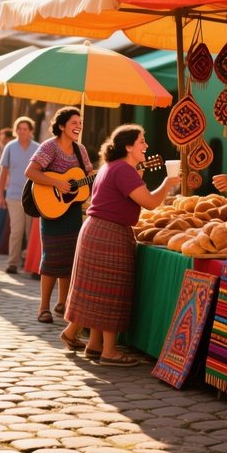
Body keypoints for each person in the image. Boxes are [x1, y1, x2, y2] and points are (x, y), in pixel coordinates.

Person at [61, 124, 180, 366]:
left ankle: (95, 346)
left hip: (96, 229)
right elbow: (149, 203)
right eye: (141, 141)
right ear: (128, 146)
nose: (146, 145)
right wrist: (168, 184)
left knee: (97, 291)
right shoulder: (123, 170)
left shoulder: (111, 167)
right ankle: (110, 352)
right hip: (109, 233)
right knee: (110, 291)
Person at [25, 106, 92, 323]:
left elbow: (88, 175)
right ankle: (43, 307)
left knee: (69, 258)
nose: (78, 126)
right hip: (51, 210)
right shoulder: (49, 147)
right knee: (51, 259)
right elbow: (31, 172)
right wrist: (58, 183)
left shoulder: (81, 150)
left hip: (71, 211)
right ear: (61, 126)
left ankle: (62, 304)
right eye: (74, 122)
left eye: (80, 123)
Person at [0, 117, 39, 274]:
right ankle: (12, 263)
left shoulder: (38, 148)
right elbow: (4, 173)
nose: (22, 131)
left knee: (30, 232)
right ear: (16, 130)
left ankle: (28, 261)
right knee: (16, 230)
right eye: (19, 129)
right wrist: (1, 195)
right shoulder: (10, 147)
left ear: (30, 131)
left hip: (33, 197)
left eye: (25, 129)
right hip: (14, 195)